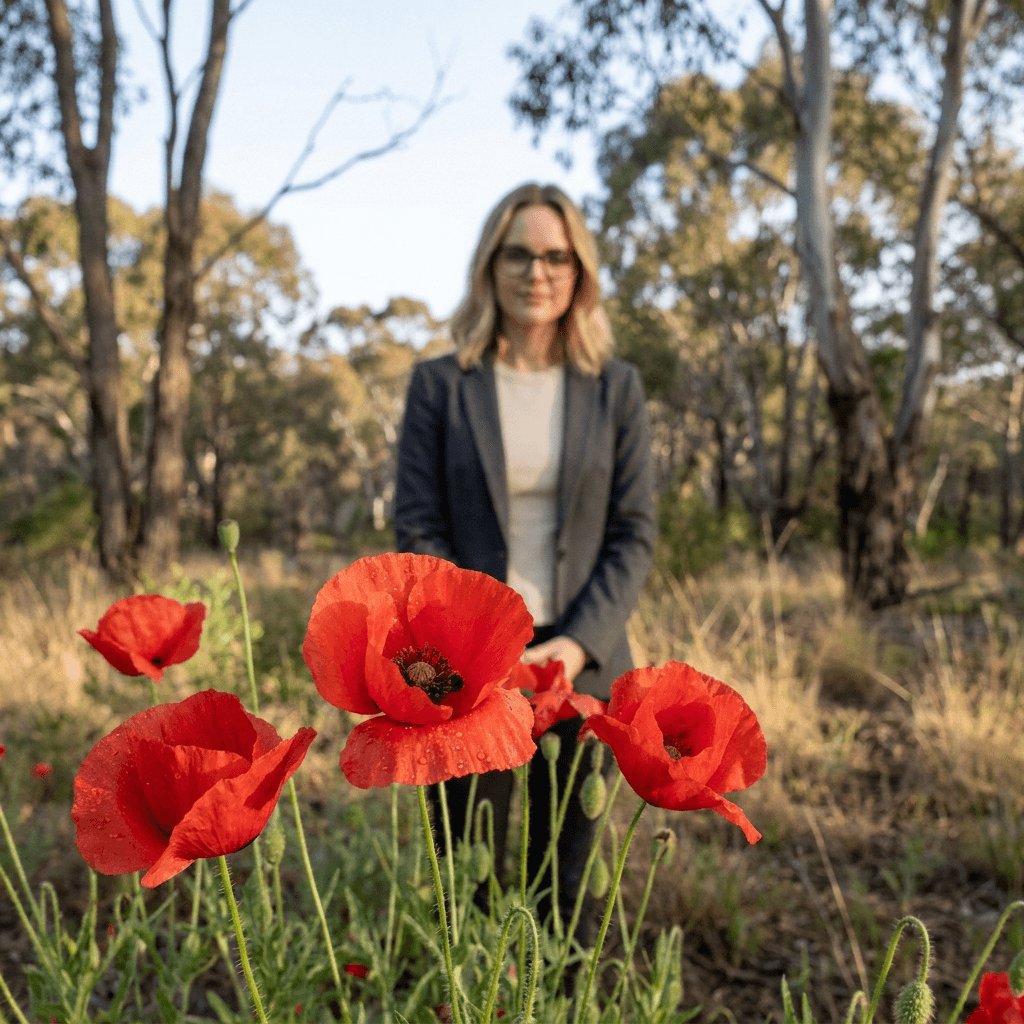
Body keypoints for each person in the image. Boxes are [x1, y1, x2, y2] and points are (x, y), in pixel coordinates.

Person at [393, 182, 655, 942]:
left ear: (578, 271)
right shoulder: (441, 385)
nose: (535, 272)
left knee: (565, 884)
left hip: (582, 662)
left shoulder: (617, 389)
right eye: (518, 254)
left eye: (554, 256)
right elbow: (419, 526)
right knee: (465, 870)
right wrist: (486, 646)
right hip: (465, 664)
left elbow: (633, 533)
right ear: (490, 266)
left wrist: (574, 647)